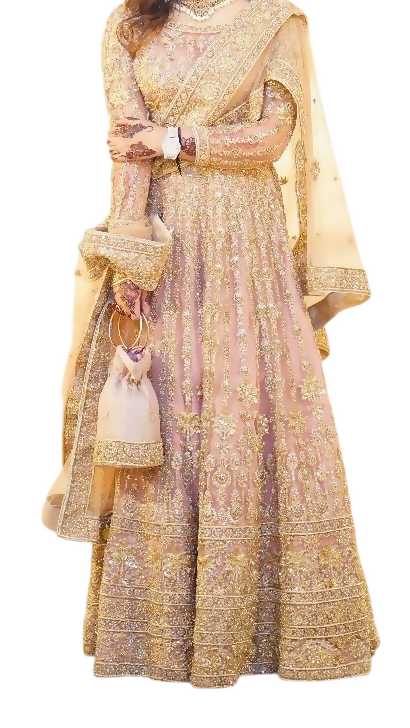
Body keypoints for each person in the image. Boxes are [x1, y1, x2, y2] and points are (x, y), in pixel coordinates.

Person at [42, 0, 379, 686]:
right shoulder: (130, 21)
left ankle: (271, 625)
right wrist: (130, 254)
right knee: (166, 408)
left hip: (246, 240)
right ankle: (159, 632)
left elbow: (272, 136)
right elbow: (125, 148)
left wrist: (172, 141)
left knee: (247, 402)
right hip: (167, 237)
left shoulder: (272, 20)